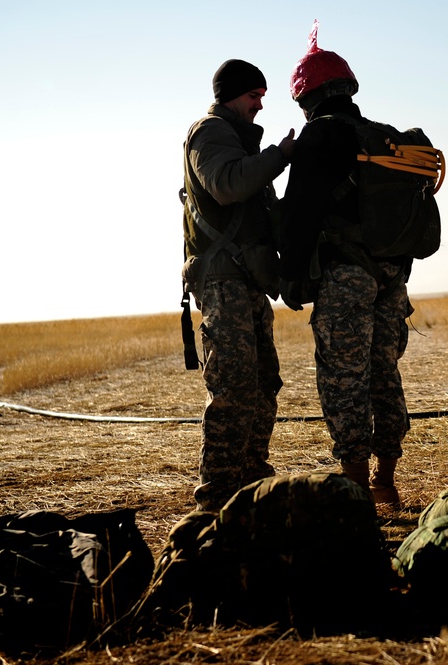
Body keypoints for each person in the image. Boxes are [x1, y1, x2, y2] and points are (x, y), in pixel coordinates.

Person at [279, 26, 413, 505]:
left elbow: (299, 212)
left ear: (307, 98)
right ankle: (386, 480)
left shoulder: (318, 137)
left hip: (346, 277)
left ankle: (356, 484)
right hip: (393, 277)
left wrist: (290, 276)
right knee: (385, 373)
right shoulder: (383, 137)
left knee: (343, 378)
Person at [181, 58, 296, 512]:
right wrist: (280, 157)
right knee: (231, 387)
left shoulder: (237, 139)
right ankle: (216, 499)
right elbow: (227, 185)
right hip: (224, 280)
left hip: (246, 279)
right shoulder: (208, 134)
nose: (260, 106)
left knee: (263, 382)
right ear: (231, 95)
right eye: (254, 96)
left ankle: (250, 481)